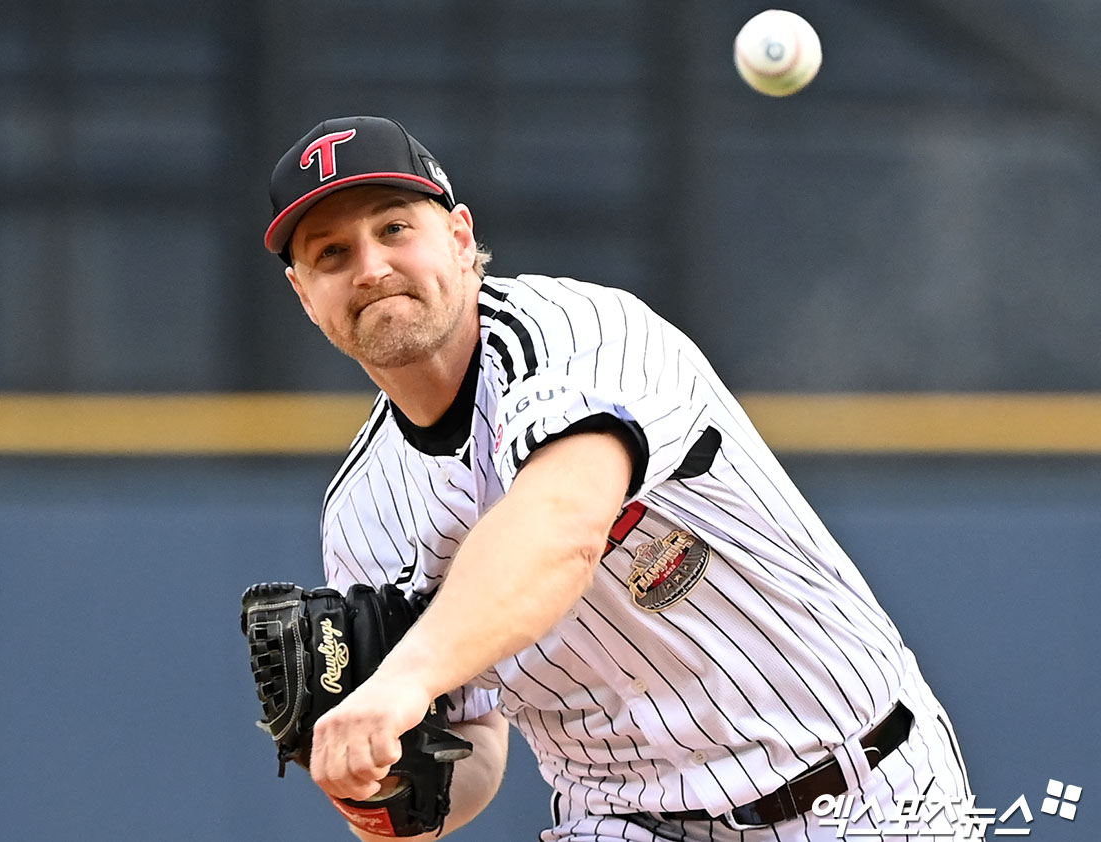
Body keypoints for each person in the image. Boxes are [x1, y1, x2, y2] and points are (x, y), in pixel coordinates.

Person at [263, 115, 972, 841]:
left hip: (856, 788)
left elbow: (560, 531)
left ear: (459, 236)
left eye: (393, 230)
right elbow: (471, 742)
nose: (371, 267)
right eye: (332, 253)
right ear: (304, 294)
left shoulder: (585, 332)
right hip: (618, 820)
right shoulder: (363, 513)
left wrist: (400, 682)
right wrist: (387, 795)